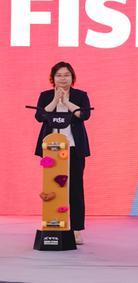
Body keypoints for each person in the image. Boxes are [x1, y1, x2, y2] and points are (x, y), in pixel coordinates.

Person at [34, 62, 91, 245]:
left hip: (74, 148)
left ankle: (76, 229)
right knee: (52, 187)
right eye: (59, 75)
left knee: (75, 188)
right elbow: (40, 117)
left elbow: (84, 115)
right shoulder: (45, 95)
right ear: (53, 78)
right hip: (51, 149)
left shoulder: (80, 95)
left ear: (72, 77)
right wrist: (55, 100)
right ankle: (53, 224)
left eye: (66, 75)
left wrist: (66, 102)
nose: (63, 78)